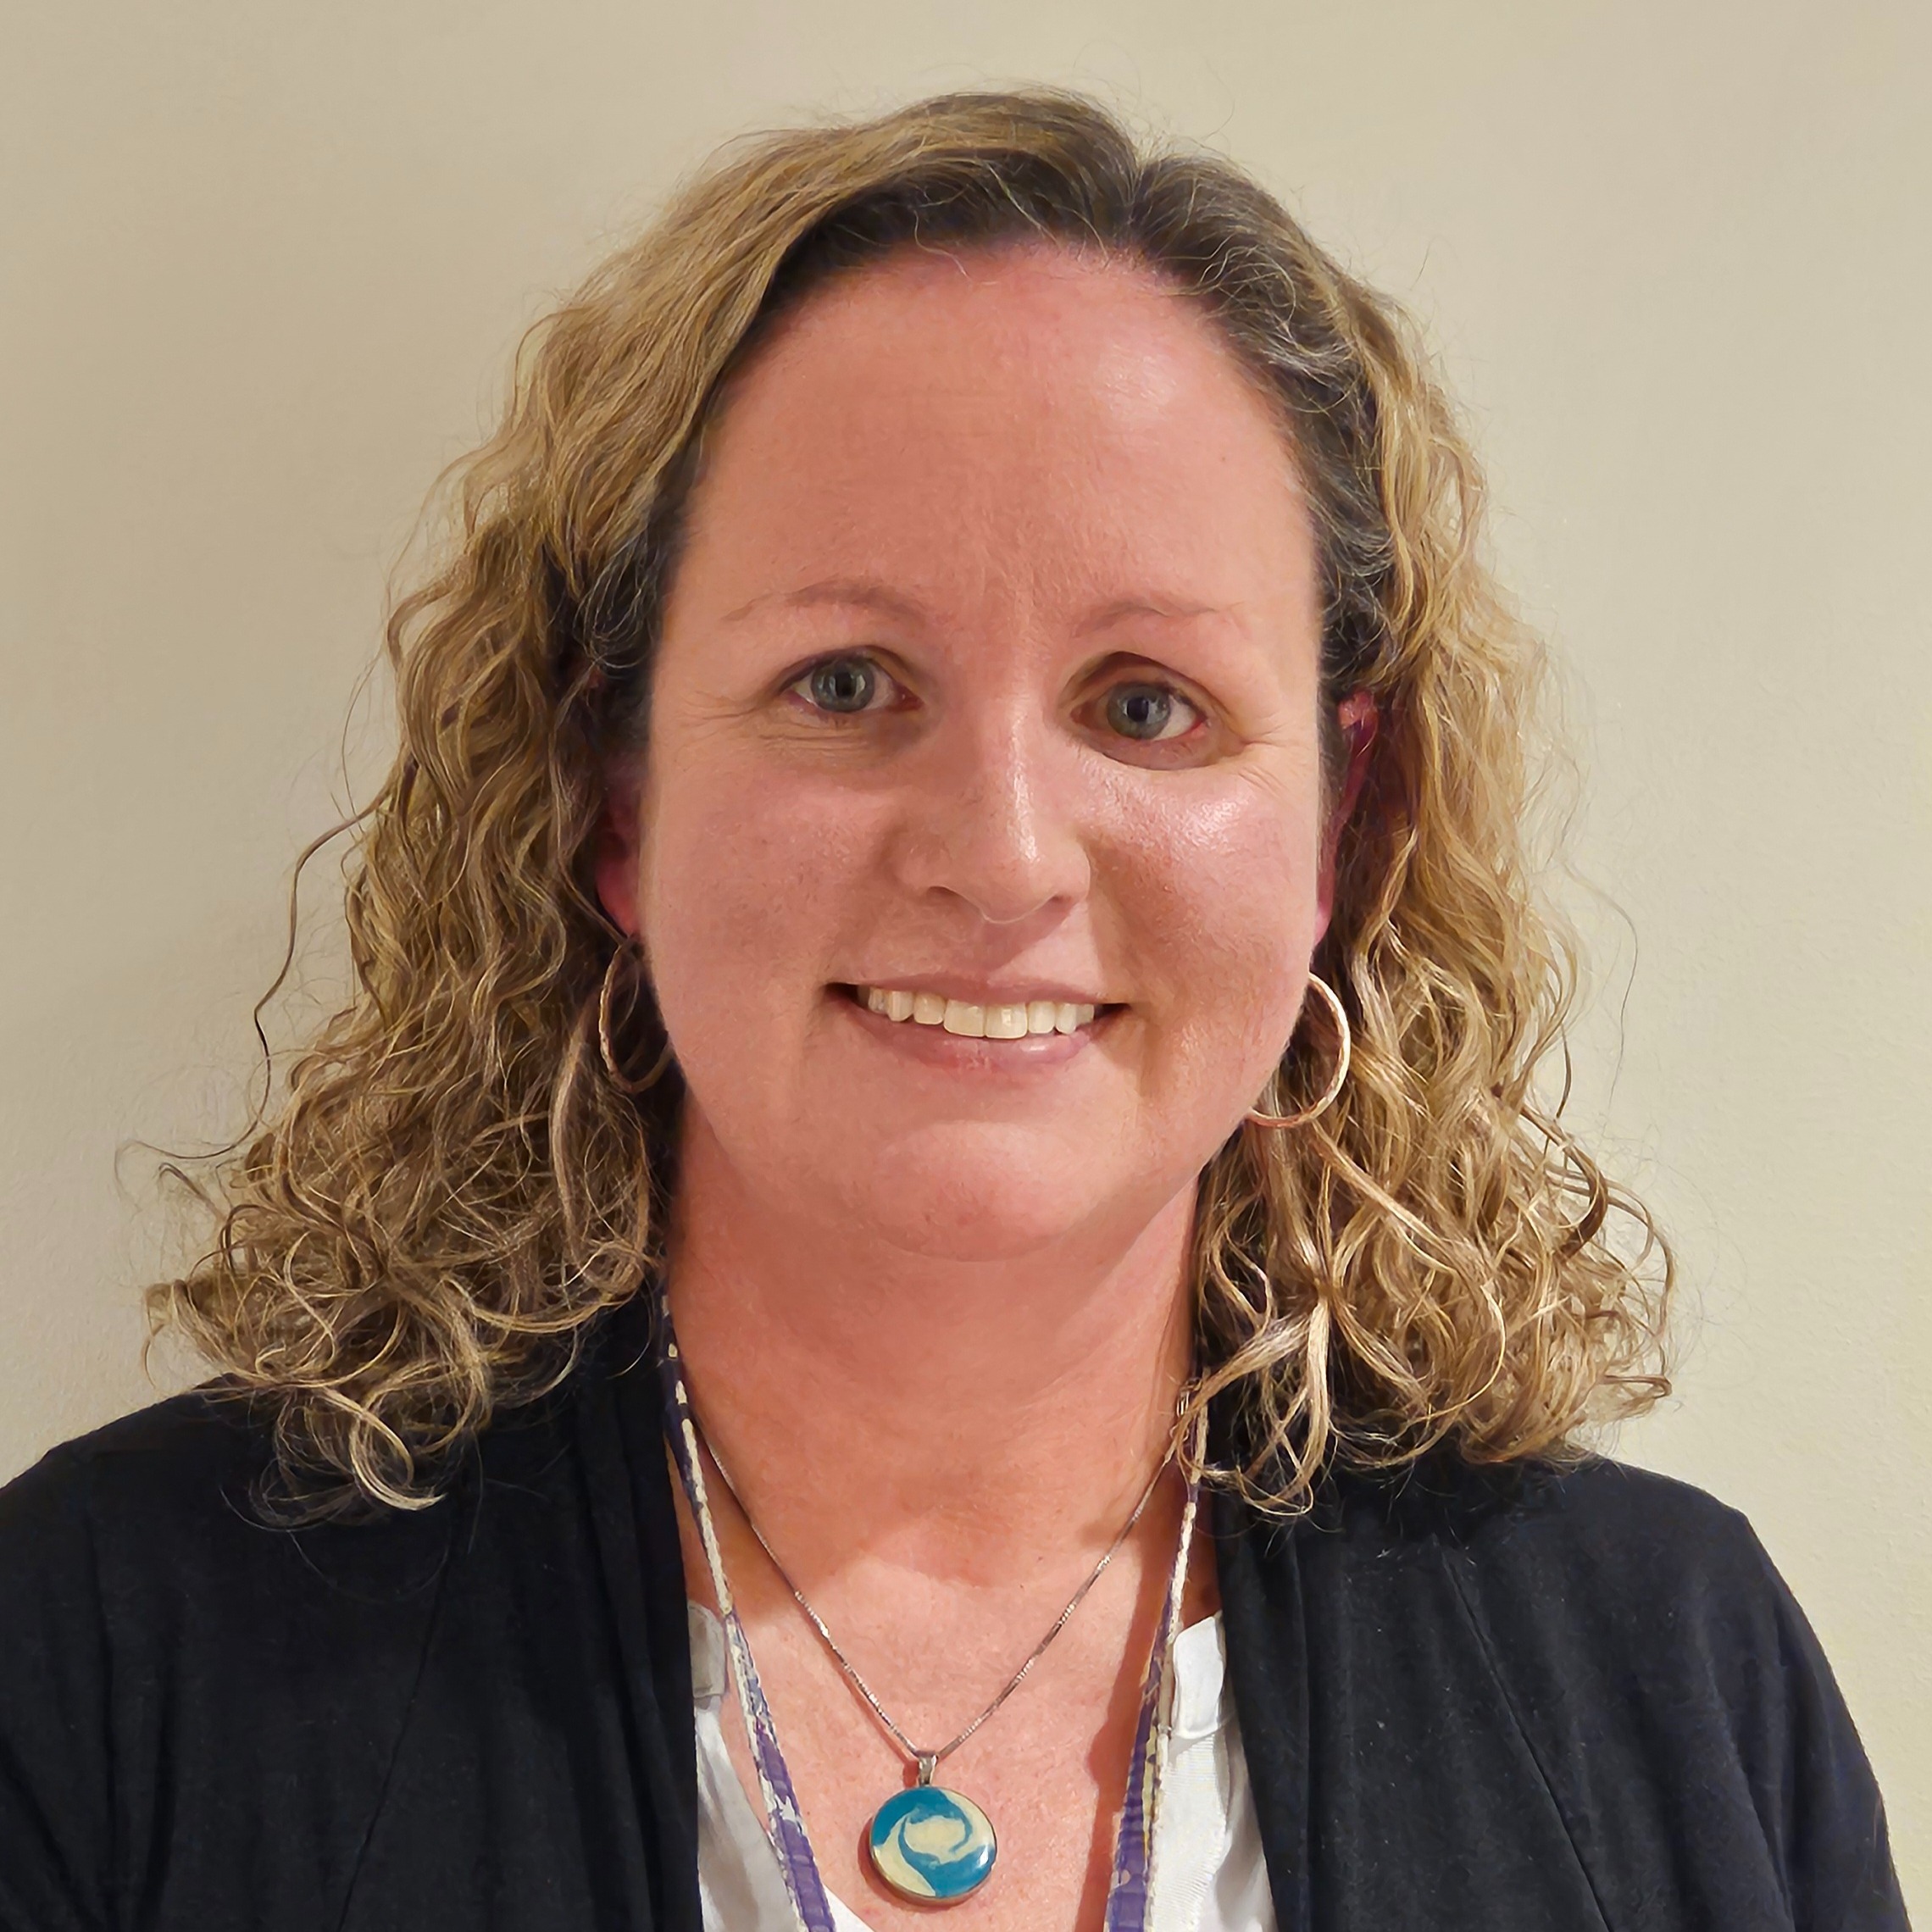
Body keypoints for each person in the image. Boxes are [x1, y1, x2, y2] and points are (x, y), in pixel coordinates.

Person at [0, 89, 1907, 1932]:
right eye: (846, 684)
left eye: (1146, 703)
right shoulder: (109, 1653)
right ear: (615, 797)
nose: (1000, 859)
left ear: (1347, 824)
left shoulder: (1673, 1681)